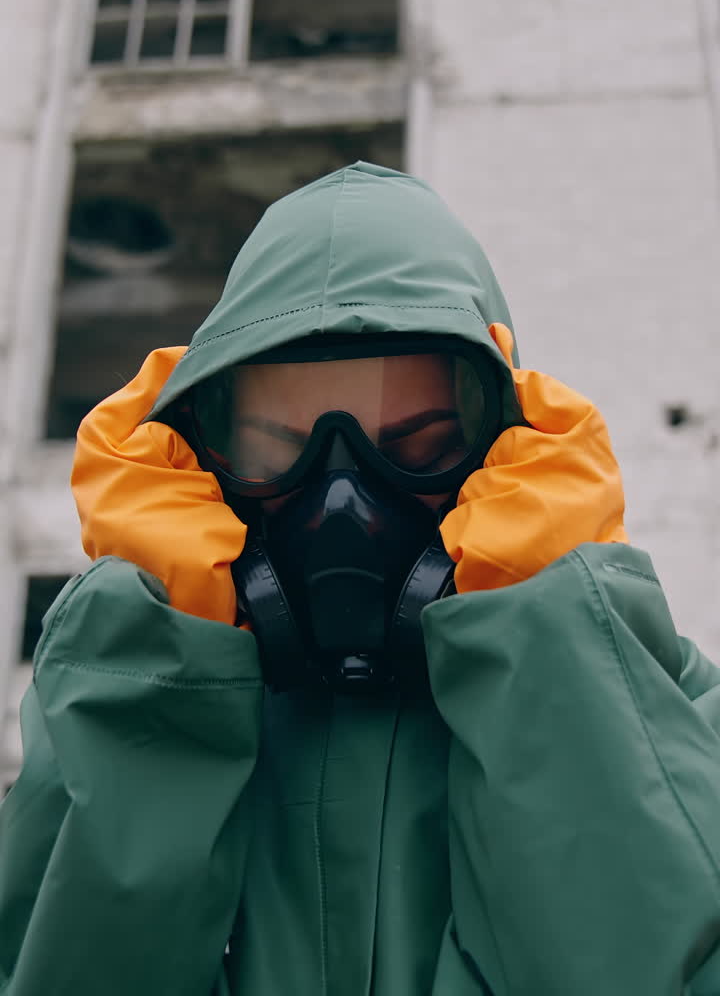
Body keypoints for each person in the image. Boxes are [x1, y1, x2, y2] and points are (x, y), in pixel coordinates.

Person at [1, 160, 720, 996]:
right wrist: (156, 668)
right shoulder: (127, 702)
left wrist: (550, 636)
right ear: (202, 454)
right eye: (279, 448)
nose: (343, 499)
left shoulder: (658, 708)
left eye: (416, 447)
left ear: (503, 447)